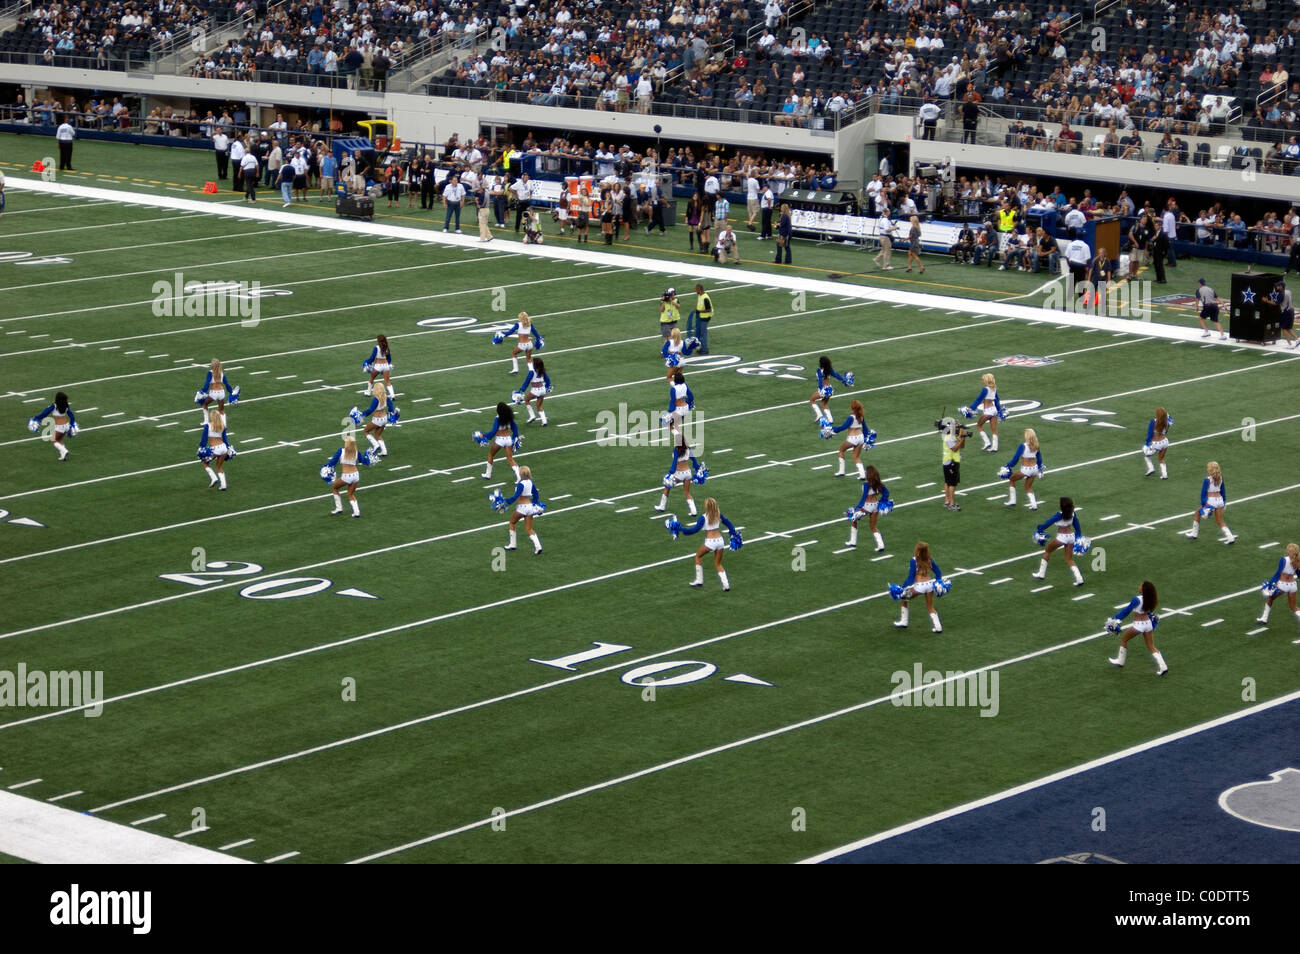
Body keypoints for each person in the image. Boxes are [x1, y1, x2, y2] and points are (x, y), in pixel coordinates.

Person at [667, 496, 742, 592]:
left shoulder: (703, 518)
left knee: (698, 556)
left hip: (710, 542)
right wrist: (733, 534)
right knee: (718, 564)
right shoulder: (719, 515)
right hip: (720, 541)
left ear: (707, 507)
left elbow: (694, 530)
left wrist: (680, 529)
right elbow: (729, 524)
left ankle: (699, 580)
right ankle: (726, 585)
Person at [1105, 581, 1168, 675]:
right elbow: (1149, 612)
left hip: (1138, 625)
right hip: (1148, 624)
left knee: (1124, 639)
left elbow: (1126, 611)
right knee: (1151, 646)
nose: (1139, 586)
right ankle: (1163, 666)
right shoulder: (1150, 599)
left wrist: (1115, 619)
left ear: (1143, 589)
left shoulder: (1137, 599)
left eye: (1141, 586)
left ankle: (1120, 661)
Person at [889, 541, 950, 632]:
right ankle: (938, 627)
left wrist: (903, 587)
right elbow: (938, 572)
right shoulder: (929, 559)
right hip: (930, 585)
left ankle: (904, 622)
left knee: (904, 598)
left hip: (919, 587)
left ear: (917, 550)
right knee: (930, 607)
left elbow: (911, 577)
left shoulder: (914, 560)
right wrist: (938, 582)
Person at [1031, 496, 1088, 586]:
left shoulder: (1059, 515)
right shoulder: (1073, 514)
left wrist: (1040, 529)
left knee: (1047, 551)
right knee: (1069, 559)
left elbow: (1048, 523)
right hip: (1071, 537)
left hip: (1061, 538)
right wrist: (1078, 537)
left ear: (1061, 506)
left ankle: (1041, 573)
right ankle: (1079, 578)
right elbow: (1077, 526)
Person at [490, 465, 546, 554]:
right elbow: (536, 494)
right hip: (530, 507)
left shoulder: (521, 484)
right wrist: (535, 504)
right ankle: (538, 547)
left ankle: (513, 544)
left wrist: (505, 501)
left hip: (522, 508)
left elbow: (515, 497)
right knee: (529, 529)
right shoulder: (531, 482)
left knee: (512, 522)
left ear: (521, 474)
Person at [653, 423, 705, 516]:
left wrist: (670, 474)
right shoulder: (688, 449)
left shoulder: (676, 450)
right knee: (686, 492)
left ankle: (662, 506)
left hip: (678, 474)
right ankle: (694, 511)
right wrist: (698, 470)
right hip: (688, 473)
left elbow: (674, 465)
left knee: (667, 488)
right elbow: (695, 462)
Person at [821, 398, 876, 479]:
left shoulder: (851, 417)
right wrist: (865, 439)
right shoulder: (861, 416)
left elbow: (843, 427)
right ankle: (862, 475)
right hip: (860, 438)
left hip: (852, 438)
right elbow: (865, 429)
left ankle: (841, 471)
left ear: (852, 408)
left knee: (841, 450)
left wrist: (832, 429)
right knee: (856, 457)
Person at [321, 436, 375, 517]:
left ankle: (339, 508)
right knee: (350, 494)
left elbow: (332, 462)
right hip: (356, 475)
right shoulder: (357, 452)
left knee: (335, 488)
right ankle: (357, 512)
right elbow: (364, 461)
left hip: (346, 476)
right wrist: (370, 458)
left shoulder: (341, 451)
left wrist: (326, 468)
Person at [845, 465, 892, 551]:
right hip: (876, 506)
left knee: (853, 519)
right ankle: (881, 545)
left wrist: (858, 508)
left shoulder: (866, 484)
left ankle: (853, 542)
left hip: (867, 506)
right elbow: (886, 493)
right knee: (873, 526)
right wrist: (882, 501)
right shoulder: (879, 484)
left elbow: (864, 497)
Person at [1188, 460, 1235, 543]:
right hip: (1219, 500)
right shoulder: (1221, 477)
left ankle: (1194, 534)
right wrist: (1224, 502)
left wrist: (1203, 504)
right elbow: (1223, 491)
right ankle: (1230, 537)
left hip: (1211, 501)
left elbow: (1203, 493)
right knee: (1220, 521)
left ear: (1210, 470)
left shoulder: (1207, 480)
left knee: (1197, 512)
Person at [348, 381, 399, 458]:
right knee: (377, 434)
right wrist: (393, 415)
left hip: (377, 419)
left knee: (366, 431)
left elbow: (371, 410)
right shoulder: (386, 397)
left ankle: (375, 445)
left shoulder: (376, 399)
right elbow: (391, 408)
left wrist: (362, 414)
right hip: (385, 419)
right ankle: (384, 451)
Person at [474, 401, 522, 481]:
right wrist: (515, 437)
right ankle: (519, 477)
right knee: (510, 458)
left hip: (500, 440)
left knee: (491, 454)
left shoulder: (497, 418)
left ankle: (488, 474)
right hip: (508, 439)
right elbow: (515, 428)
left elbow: (493, 431)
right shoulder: (509, 417)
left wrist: (484, 436)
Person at [999, 427, 1044, 509]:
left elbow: (1015, 459)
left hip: (1025, 470)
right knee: (1028, 487)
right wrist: (1040, 470)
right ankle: (1034, 505)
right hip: (1034, 469)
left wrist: (1008, 465)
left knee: (1012, 479)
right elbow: (1040, 459)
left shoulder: (1023, 446)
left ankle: (1012, 501)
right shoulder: (1036, 446)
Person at [1257, 542, 1300, 627]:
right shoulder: (1298, 561)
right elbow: (1299, 575)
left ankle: (1264, 619)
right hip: (1293, 585)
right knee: (1294, 607)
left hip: (1282, 585)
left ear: (1288, 551)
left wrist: (1270, 584)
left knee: (1270, 599)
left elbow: (1278, 574)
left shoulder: (1284, 559)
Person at [27, 391, 78, 461]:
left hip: (60, 427)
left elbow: (45, 413)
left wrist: (36, 418)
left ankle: (65, 451)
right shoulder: (66, 406)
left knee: (53, 440)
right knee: (59, 439)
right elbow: (72, 416)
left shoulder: (54, 406)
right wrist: (72, 425)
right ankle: (63, 456)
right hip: (66, 425)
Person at [961, 372, 1006, 452]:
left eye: (983, 380)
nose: (983, 381)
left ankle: (987, 442)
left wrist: (970, 408)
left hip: (988, 412)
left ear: (987, 380)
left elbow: (978, 400)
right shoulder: (994, 389)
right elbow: (997, 401)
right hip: (994, 411)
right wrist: (999, 412)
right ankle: (995, 447)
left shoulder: (985, 389)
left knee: (979, 425)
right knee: (994, 429)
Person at [492, 311, 544, 375]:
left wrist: (502, 334)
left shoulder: (518, 324)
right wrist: (539, 339)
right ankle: (531, 371)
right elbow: (536, 334)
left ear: (521, 318)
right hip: (530, 344)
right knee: (528, 358)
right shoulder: (530, 324)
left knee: (514, 353)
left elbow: (510, 332)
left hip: (522, 345)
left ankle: (515, 369)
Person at [196, 407, 236, 490]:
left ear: (212, 417)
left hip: (214, 449)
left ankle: (214, 478)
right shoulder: (222, 426)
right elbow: (225, 439)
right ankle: (223, 485)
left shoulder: (208, 426)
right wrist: (228, 448)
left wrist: (202, 447)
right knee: (219, 466)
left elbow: (204, 439)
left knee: (205, 463)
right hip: (223, 448)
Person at [809, 356, 853, 424]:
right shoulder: (829, 369)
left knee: (812, 400)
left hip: (823, 390)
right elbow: (836, 375)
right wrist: (843, 379)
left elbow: (820, 381)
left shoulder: (819, 370)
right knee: (823, 404)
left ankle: (820, 416)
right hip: (830, 389)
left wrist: (820, 389)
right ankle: (830, 419)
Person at [513, 357, 552, 426]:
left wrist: (521, 390)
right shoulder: (543, 370)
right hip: (543, 390)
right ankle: (544, 421)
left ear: (535, 364)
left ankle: (532, 416)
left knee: (526, 400)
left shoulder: (532, 372)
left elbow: (527, 382)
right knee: (538, 406)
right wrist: (547, 387)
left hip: (535, 390)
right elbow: (548, 381)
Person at [939, 415, 966, 511]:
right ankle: (951, 504)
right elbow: (954, 449)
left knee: (947, 482)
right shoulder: (949, 438)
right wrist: (962, 438)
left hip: (948, 461)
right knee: (952, 484)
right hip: (951, 462)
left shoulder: (951, 436)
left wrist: (963, 437)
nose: (955, 427)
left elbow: (962, 446)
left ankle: (947, 500)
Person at [1143, 407, 1173, 479]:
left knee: (1146, 454)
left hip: (1156, 444)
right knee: (1161, 459)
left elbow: (1150, 434)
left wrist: (1146, 444)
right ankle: (1164, 475)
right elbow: (1171, 419)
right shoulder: (1167, 422)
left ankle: (1151, 468)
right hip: (1165, 442)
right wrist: (1167, 415)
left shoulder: (1153, 421)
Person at [686, 284, 713, 354]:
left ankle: (705, 349)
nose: (695, 291)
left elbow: (709, 309)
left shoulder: (705, 298)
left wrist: (699, 311)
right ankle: (702, 347)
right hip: (701, 316)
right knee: (700, 333)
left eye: (696, 290)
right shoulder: (700, 296)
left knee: (703, 334)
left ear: (700, 290)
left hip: (705, 317)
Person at [1270, 279, 1298, 348]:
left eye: (1278, 286)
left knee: (1283, 328)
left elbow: (1276, 303)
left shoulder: (1281, 294)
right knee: (1288, 328)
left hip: (1285, 312)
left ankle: (1290, 344)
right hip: (1291, 310)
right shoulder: (1288, 291)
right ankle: (1297, 339)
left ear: (1281, 287)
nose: (1276, 287)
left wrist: (1267, 301)